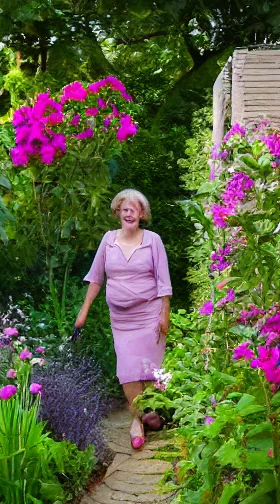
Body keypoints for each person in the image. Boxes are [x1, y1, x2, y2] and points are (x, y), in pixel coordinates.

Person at [75, 189, 172, 449]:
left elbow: (164, 282)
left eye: (134, 209)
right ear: (118, 212)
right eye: (124, 209)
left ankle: (148, 412)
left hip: (149, 314)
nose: (129, 213)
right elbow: (96, 278)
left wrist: (165, 314)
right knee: (128, 371)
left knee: (150, 370)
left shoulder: (153, 241)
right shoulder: (108, 240)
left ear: (142, 214)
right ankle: (138, 420)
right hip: (122, 319)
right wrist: (83, 311)